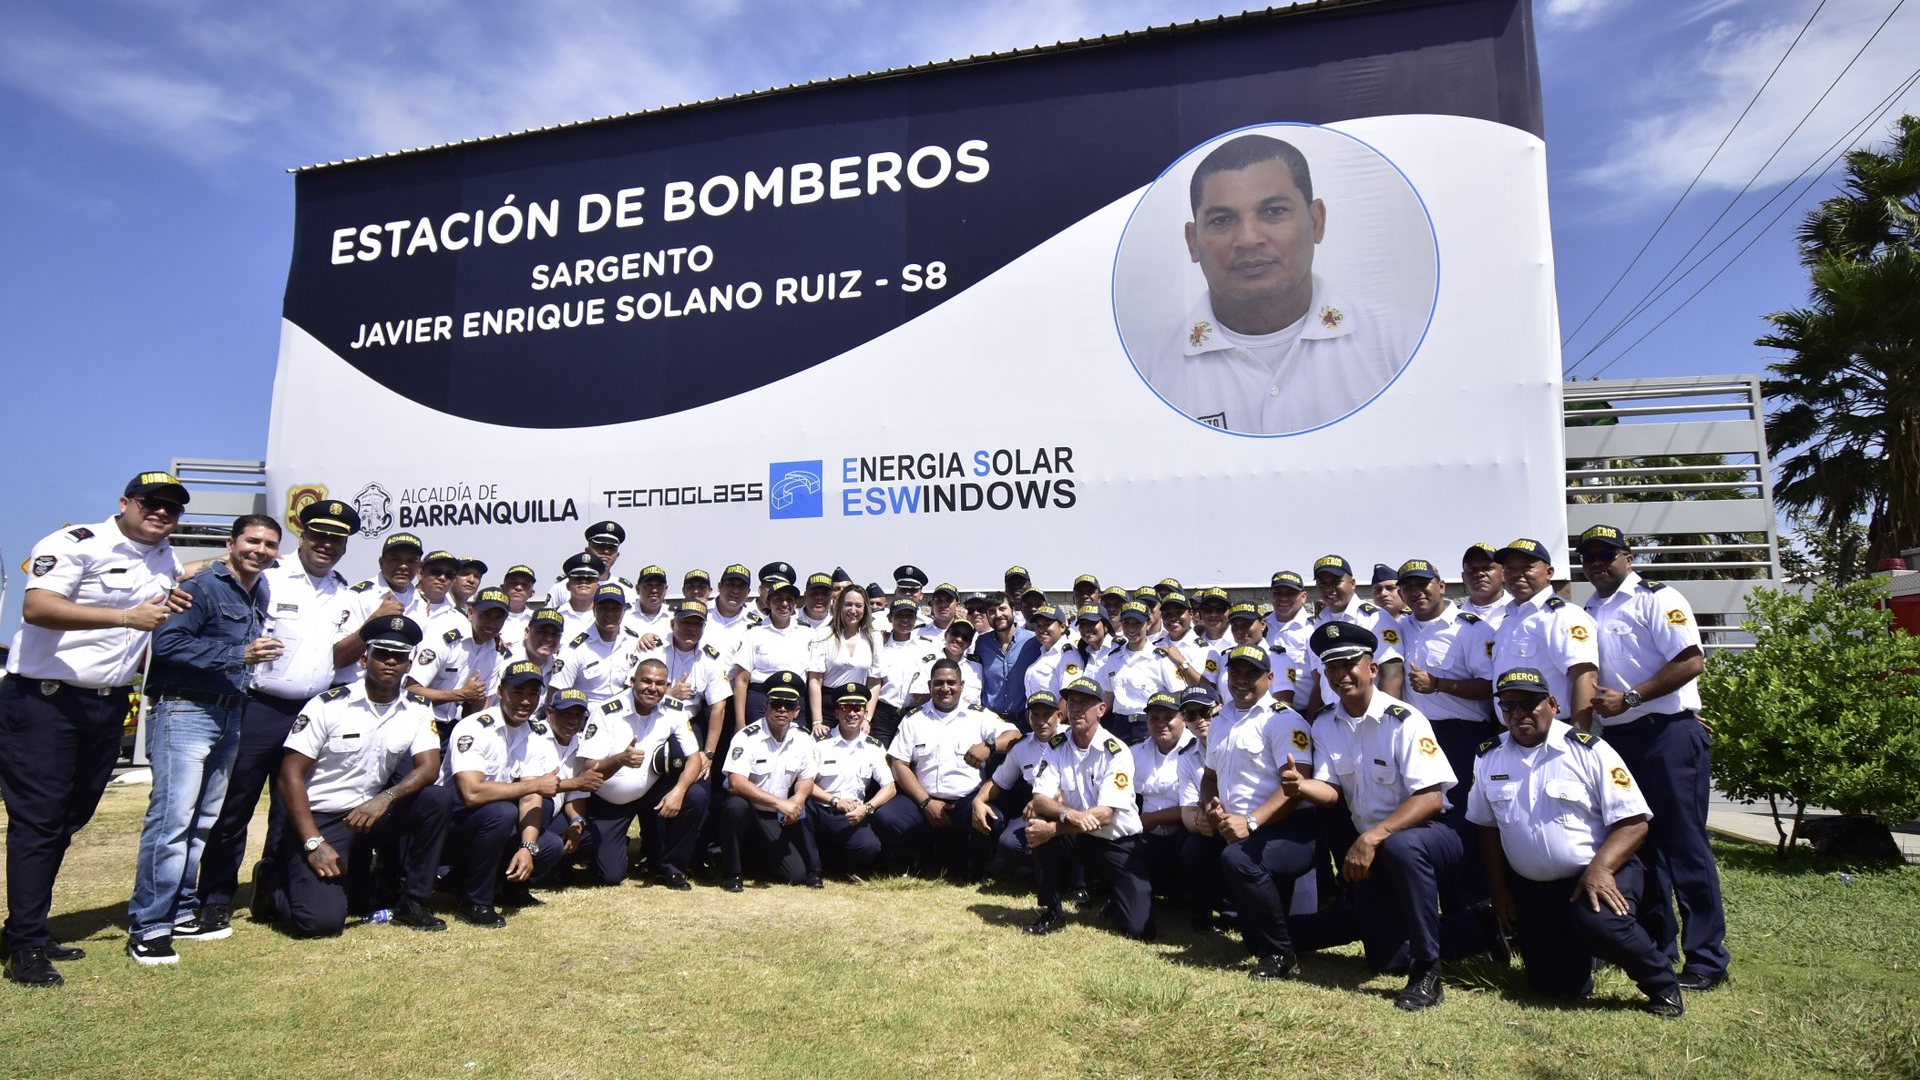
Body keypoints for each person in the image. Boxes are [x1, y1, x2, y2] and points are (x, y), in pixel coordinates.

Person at [1, 472, 196, 985]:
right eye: (151, 503)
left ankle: (29, 924)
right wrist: (126, 618)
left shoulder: (164, 556)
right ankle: (24, 943)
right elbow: (36, 607)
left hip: (107, 706)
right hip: (46, 703)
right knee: (39, 821)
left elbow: (186, 571)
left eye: (172, 508)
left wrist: (247, 557)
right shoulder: (73, 543)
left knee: (73, 815)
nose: (161, 513)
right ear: (124, 503)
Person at [1138, 132, 1415, 435]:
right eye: (1221, 220)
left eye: (1273, 212)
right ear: (1193, 241)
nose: (1248, 238)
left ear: (1316, 222)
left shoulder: (1402, 348)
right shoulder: (1144, 375)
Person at [1469, 668, 1683, 1016]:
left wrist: (1600, 870)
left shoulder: (1588, 751)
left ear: (1552, 704)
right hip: (1537, 890)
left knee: (1601, 922)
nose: (1518, 713)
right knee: (1555, 988)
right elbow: (1487, 827)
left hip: (1601, 871)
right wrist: (1499, 889)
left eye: (1528, 703)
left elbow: (1633, 822)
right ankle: (1585, 955)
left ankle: (1661, 982)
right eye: (1508, 706)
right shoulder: (1488, 757)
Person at [1285, 621, 1475, 1011]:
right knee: (1385, 959)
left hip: (1429, 833)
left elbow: (1431, 799)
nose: (1342, 675)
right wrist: (1300, 787)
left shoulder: (1404, 720)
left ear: (1372, 669)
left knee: (1404, 847)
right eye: (1332, 668)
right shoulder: (1325, 724)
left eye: (1350, 664)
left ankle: (1428, 970)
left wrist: (1373, 838)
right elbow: (1331, 790)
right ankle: (1477, 931)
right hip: (1376, 841)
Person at [197, 499, 360, 941]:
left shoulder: (347, 595)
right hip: (260, 706)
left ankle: (271, 889)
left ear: (344, 546)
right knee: (235, 805)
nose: (326, 545)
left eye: (336, 539)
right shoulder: (267, 575)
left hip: (311, 712)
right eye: (319, 535)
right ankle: (213, 898)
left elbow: (342, 661)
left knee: (293, 810)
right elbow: (209, 572)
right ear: (302, 536)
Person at [1576, 523, 1727, 992]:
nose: (1598, 564)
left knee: (1685, 847)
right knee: (1643, 847)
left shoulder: (1659, 599)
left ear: (1629, 557)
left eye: (1607, 554)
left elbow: (1690, 661)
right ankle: (1659, 948)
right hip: (1622, 741)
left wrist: (1634, 700)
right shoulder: (1590, 609)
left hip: (1666, 735)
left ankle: (1706, 960)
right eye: (1590, 557)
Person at [127, 514, 284, 964]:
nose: (261, 550)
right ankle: (149, 926)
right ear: (231, 543)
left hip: (229, 711)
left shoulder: (260, 589)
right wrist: (240, 653)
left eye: (270, 544)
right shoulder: (202, 587)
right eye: (252, 541)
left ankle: (179, 910)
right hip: (185, 709)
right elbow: (169, 644)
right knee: (171, 821)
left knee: (201, 823)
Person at [271, 615, 452, 937]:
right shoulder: (328, 705)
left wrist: (386, 798)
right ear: (363, 658)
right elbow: (289, 775)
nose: (390, 662)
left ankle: (412, 898)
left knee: (435, 798)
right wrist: (314, 843)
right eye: (382, 653)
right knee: (321, 923)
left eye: (399, 657)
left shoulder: (417, 708)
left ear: (409, 664)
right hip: (324, 817)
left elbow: (428, 767)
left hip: (371, 812)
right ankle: (274, 881)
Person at [1199, 645, 1320, 979]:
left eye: (1251, 674)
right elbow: (1209, 777)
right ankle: (1273, 935)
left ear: (1269, 678)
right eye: (1234, 673)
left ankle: (1282, 956)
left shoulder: (1283, 721)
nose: (1241, 681)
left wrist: (1251, 822)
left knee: (1239, 860)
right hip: (1239, 828)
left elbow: (1297, 786)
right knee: (1196, 849)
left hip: (1289, 827)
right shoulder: (1221, 721)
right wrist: (1210, 805)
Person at [439, 661, 579, 925]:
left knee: (546, 845)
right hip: (448, 827)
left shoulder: (534, 735)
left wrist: (527, 847)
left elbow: (530, 797)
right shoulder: (474, 727)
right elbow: (471, 793)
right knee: (502, 812)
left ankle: (497, 887)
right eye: (518, 692)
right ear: (501, 691)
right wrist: (535, 785)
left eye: (533, 694)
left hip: (487, 824)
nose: (526, 701)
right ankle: (475, 902)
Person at [1021, 677, 1154, 940]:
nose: (1076, 709)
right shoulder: (1057, 745)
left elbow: (1105, 814)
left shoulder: (1116, 751)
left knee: (1139, 930)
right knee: (1039, 831)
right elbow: (1039, 798)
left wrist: (1057, 826)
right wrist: (1067, 815)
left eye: (1085, 703)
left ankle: (1116, 898)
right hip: (1079, 834)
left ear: (1101, 710)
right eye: (1072, 702)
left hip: (1118, 842)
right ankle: (1052, 909)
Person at [873, 659, 1019, 877]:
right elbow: (899, 764)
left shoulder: (978, 716)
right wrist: (926, 802)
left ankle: (969, 864)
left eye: (951, 683)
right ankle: (916, 857)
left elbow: (1015, 736)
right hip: (922, 800)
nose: (945, 688)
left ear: (962, 685)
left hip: (965, 801)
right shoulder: (914, 718)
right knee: (886, 817)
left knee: (991, 819)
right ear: (930, 685)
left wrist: (989, 745)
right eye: (938, 683)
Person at [574, 658, 709, 889]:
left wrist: (679, 790)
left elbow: (694, 758)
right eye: (646, 681)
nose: (652, 688)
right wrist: (620, 759)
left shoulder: (673, 710)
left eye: (659, 683)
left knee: (695, 796)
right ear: (632, 681)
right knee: (610, 876)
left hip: (650, 791)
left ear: (667, 686)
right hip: (610, 803)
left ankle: (672, 868)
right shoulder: (607, 712)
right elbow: (589, 767)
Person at [717, 670, 818, 891]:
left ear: (797, 711)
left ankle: (754, 860)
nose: (782, 709)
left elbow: (806, 778)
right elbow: (736, 783)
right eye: (776, 704)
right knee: (735, 806)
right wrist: (781, 804)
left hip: (776, 816)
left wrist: (798, 799)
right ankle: (732, 874)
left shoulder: (803, 738)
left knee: (795, 875)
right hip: (747, 810)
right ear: (765, 707)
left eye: (789, 705)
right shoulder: (746, 737)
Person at [1487, 539, 1598, 731]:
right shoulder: (1508, 620)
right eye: (1509, 568)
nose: (1517, 574)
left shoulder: (1564, 615)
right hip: (1514, 730)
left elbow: (1585, 676)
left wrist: (1579, 737)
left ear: (1549, 573)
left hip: (1555, 729)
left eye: (1527, 567)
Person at [803, 683, 895, 878]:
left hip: (851, 815)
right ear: (836, 713)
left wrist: (867, 808)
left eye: (857, 708)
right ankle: (814, 869)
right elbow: (805, 782)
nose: (851, 713)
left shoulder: (874, 747)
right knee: (802, 808)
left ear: (865, 713)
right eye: (845, 708)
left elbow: (890, 787)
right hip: (821, 810)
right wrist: (835, 801)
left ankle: (833, 862)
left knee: (869, 848)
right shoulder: (819, 743)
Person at [970, 690, 1066, 872]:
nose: (1041, 721)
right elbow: (998, 781)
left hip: (1069, 805)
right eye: (1035, 715)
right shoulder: (1021, 748)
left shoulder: (1073, 739)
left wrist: (1046, 801)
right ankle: (1037, 871)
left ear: (1059, 715)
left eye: (1047, 715)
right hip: (1035, 809)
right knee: (1009, 844)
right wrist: (978, 800)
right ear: (1027, 716)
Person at [1132, 692, 1204, 909]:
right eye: (1154, 718)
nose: (1161, 724)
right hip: (1147, 834)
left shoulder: (1198, 751)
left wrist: (1155, 818)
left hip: (1184, 831)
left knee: (1195, 848)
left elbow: (1197, 806)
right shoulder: (1135, 752)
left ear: (1183, 718)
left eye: (1168, 717)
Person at [332, 532, 427, 683]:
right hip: (352, 693)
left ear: (419, 566)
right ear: (381, 562)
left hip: (395, 696)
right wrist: (375, 621)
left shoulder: (421, 602)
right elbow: (339, 658)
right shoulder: (357, 596)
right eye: (396, 559)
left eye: (411, 561)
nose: (403, 566)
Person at [550, 583, 645, 707]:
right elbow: (556, 695)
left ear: (623, 611)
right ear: (594, 610)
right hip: (585, 718)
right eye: (604, 608)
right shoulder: (575, 649)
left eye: (615, 608)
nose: (609, 614)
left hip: (625, 715)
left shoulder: (633, 642)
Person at [807, 583, 879, 733]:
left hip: (857, 709)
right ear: (840, 606)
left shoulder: (874, 637)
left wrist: (867, 718)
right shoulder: (823, 635)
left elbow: (874, 681)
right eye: (848, 604)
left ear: (865, 608)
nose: (853, 610)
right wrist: (817, 721)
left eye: (858, 605)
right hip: (827, 707)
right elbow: (815, 680)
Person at [974, 592, 1039, 727]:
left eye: (1002, 609)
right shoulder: (981, 643)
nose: (998, 615)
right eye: (991, 611)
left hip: (1024, 723)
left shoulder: (1033, 641)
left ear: (1013, 610)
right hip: (990, 723)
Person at [542, 520, 630, 609]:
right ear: (587, 551)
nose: (606, 551)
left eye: (611, 548)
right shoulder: (561, 588)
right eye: (600, 546)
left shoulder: (626, 590)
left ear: (617, 555)